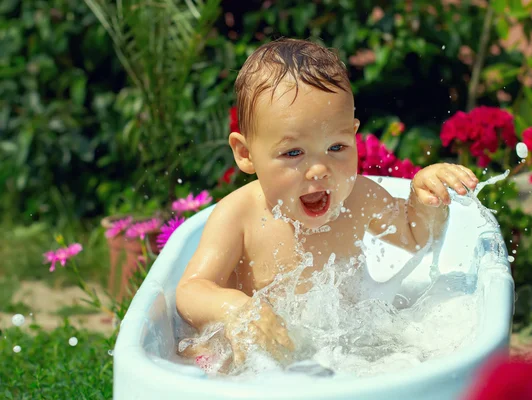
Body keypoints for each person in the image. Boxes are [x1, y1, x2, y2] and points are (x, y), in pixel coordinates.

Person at [176, 38, 478, 371]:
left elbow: (415, 238)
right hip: (264, 367)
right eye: (293, 153)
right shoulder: (239, 217)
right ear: (246, 154)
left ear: (353, 134)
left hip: (344, 353)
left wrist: (425, 200)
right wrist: (234, 307)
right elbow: (190, 291)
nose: (320, 169)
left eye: (336, 147)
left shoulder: (359, 197)